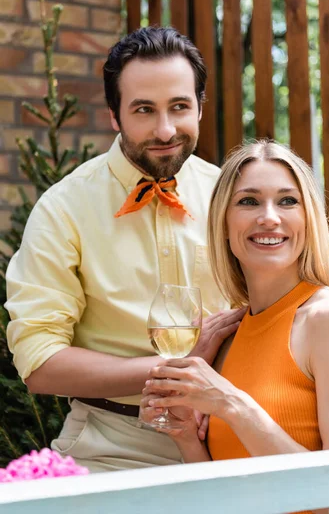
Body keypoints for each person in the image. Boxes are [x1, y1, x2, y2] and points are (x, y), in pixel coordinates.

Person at [5, 26, 243, 472]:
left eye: (179, 107)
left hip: (230, 432)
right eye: (144, 110)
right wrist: (175, 369)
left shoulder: (232, 195)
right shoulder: (64, 208)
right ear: (115, 115)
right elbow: (39, 361)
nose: (165, 129)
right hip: (112, 444)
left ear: (199, 106)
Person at [141, 139, 329, 465]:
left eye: (287, 201)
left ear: (308, 220)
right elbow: (226, 490)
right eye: (249, 201)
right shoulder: (229, 335)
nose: (269, 218)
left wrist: (233, 405)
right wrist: (184, 435)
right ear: (223, 223)